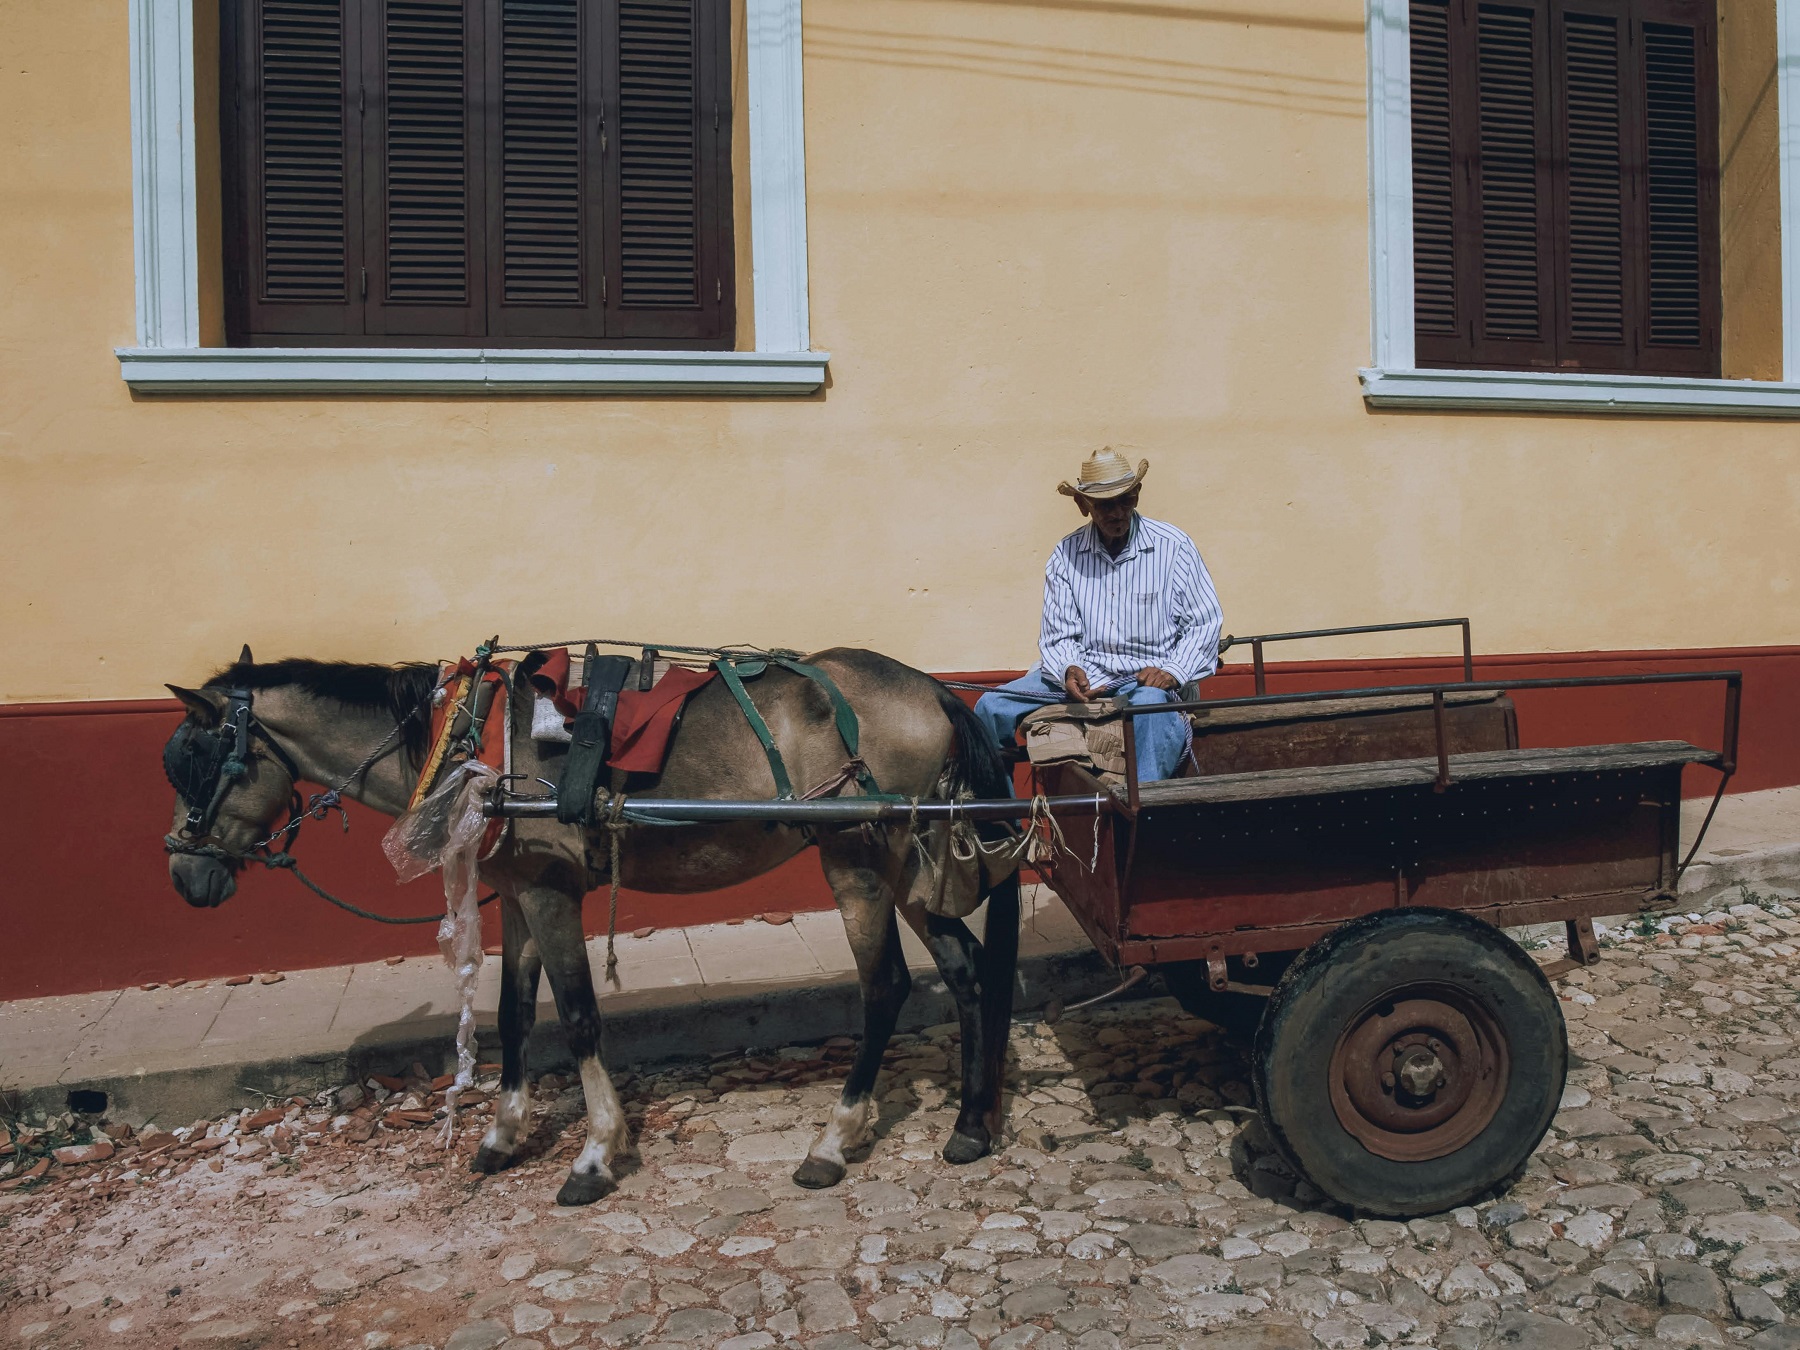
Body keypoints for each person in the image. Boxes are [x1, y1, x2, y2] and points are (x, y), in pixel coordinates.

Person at [975, 448, 1223, 781]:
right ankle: (1004, 829)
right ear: (1083, 506)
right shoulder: (1066, 554)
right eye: (1105, 505)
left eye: (1125, 500)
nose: (1117, 512)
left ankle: (1142, 815)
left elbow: (1203, 624)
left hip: (1147, 682)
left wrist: (1173, 671)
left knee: (1149, 708)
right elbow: (1058, 635)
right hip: (1089, 677)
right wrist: (1068, 668)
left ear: (1136, 496)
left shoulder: (1174, 547)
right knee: (990, 708)